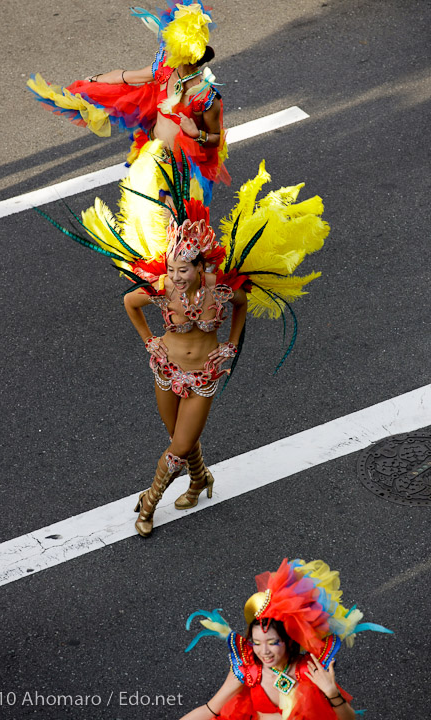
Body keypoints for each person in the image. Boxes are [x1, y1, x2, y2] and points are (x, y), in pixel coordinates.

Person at [36, 144, 329, 537]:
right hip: (165, 369)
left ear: (200, 266)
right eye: (171, 267)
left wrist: (233, 343)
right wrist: (148, 340)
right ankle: (200, 479)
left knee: (175, 450)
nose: (175, 276)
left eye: (182, 270)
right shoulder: (162, 288)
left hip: (204, 375)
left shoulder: (221, 289)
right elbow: (129, 302)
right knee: (179, 439)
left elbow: (243, 305)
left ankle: (147, 504)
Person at [27, 1, 229, 204]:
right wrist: (95, 80)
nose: (168, 52)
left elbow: (215, 139)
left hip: (183, 172)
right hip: (155, 157)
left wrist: (196, 134)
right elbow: (126, 77)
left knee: (171, 226)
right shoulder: (162, 71)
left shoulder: (206, 97)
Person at [180, 558, 393, 719]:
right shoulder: (247, 669)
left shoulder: (310, 671)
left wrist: (331, 691)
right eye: (256, 642)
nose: (263, 652)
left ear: (289, 641)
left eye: (273, 643)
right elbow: (211, 709)